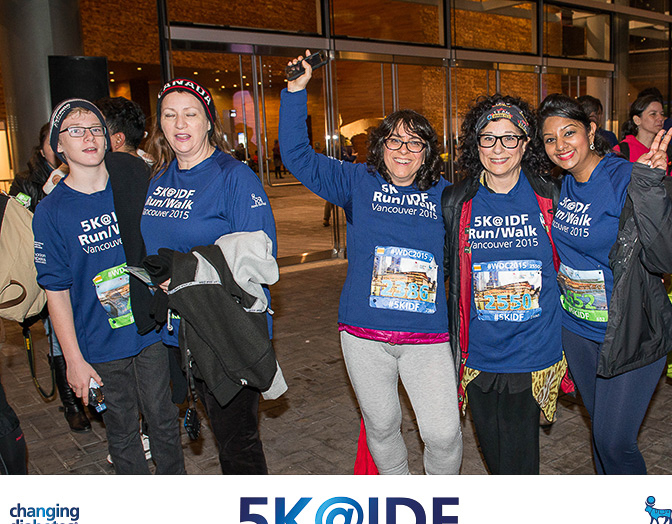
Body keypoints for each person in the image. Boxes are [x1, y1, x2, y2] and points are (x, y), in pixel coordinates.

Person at [280, 51, 462, 475]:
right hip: (363, 335)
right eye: (394, 140)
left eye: (414, 143)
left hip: (428, 337)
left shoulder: (448, 196)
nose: (404, 150)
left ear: (427, 153)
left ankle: (440, 499)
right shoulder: (357, 181)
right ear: (380, 146)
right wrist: (295, 92)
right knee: (382, 426)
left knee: (443, 434)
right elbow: (297, 155)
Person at [539, 93, 672, 474]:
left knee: (614, 441)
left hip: (630, 330)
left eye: (569, 132)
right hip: (578, 332)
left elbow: (670, 257)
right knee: (600, 432)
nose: (560, 145)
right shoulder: (561, 185)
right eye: (550, 138)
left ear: (591, 131)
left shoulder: (624, 176)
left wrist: (650, 185)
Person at [33, 99, 185, 474]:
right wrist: (73, 360)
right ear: (58, 145)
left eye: (95, 129)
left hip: (148, 327)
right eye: (75, 131)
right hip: (100, 342)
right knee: (122, 432)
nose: (88, 137)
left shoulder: (134, 183)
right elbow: (56, 291)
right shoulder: (52, 211)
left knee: (164, 419)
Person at [141, 78, 277, 475]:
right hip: (176, 329)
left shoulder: (233, 176)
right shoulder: (159, 177)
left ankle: (253, 513)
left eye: (190, 114)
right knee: (213, 431)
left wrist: (186, 274)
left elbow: (259, 257)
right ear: (160, 124)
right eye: (170, 115)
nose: (180, 123)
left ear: (208, 122)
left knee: (237, 443)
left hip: (225, 328)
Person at [442, 94, 566, 474]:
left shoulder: (550, 196)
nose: (498, 148)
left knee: (518, 459)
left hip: (531, 351)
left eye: (509, 137)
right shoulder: (456, 201)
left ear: (525, 144)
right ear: (476, 144)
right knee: (495, 456)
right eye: (488, 138)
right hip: (478, 353)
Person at [10, 123, 90, 432]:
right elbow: (19, 227)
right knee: (58, 334)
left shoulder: (81, 171)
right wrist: (47, 196)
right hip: (48, 266)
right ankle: (71, 404)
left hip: (80, 264)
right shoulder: (26, 180)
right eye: (52, 140)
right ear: (44, 146)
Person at [614, 94, 672, 179]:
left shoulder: (667, 150)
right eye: (653, 114)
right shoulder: (621, 151)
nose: (660, 118)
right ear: (637, 120)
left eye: (662, 114)